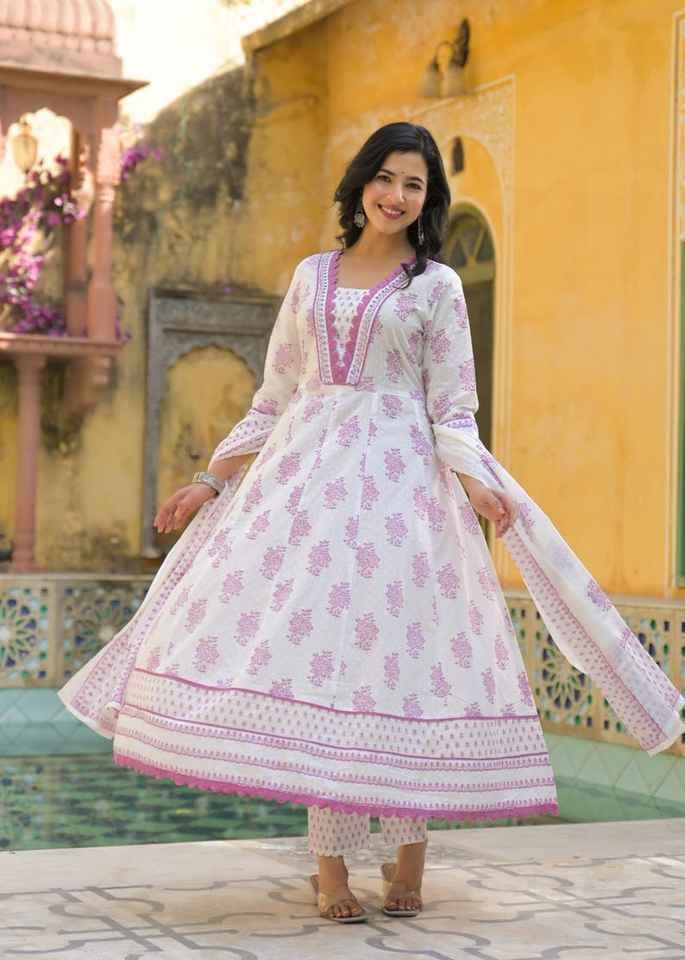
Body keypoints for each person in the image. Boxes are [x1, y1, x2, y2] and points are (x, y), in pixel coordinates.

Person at [59, 122, 685, 925]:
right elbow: (274, 396)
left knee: (401, 664)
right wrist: (209, 480)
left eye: (413, 184)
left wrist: (477, 484)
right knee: (325, 665)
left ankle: (407, 855)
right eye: (385, 178)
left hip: (404, 499)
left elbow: (450, 405)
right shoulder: (310, 276)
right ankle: (328, 870)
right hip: (306, 496)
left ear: (428, 199)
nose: (396, 195)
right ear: (360, 183)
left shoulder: (437, 287)